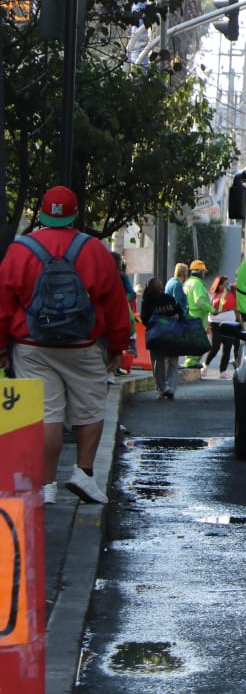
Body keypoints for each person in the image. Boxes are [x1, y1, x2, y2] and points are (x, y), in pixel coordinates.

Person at [0, 185, 131, 505]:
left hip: (32, 346)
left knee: (47, 415)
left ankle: (46, 485)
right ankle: (83, 474)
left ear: (42, 213)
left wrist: (3, 348)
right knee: (90, 409)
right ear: (75, 214)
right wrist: (116, 348)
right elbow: (116, 304)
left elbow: (3, 303)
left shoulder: (20, 250)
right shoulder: (95, 250)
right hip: (83, 346)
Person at [138, 277, 186, 400]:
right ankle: (161, 388)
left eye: (161, 286)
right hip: (156, 336)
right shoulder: (147, 302)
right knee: (158, 363)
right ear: (151, 289)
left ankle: (170, 388)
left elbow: (180, 311)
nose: (160, 288)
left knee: (172, 361)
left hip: (170, 335)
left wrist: (176, 316)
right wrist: (165, 320)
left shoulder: (168, 298)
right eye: (157, 287)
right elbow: (145, 319)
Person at [205, 276, 241, 379]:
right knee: (215, 347)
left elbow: (235, 308)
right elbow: (208, 309)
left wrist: (238, 321)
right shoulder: (212, 295)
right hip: (215, 323)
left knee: (228, 348)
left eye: (228, 284)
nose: (227, 286)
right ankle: (205, 366)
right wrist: (207, 325)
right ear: (219, 285)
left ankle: (223, 371)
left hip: (229, 323)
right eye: (225, 284)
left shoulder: (232, 295)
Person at [181, 259, 211, 370]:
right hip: (198, 317)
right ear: (200, 272)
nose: (204, 274)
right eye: (204, 272)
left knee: (191, 340)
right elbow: (199, 301)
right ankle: (191, 362)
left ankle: (189, 361)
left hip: (190, 316)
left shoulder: (187, 283)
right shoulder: (197, 284)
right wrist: (211, 309)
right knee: (199, 342)